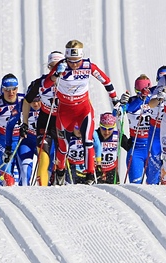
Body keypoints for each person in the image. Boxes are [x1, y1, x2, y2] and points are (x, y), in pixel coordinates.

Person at [42, 40, 118, 185]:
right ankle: (60, 171)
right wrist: (56, 75)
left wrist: (114, 98)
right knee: (63, 146)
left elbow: (106, 80)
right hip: (65, 111)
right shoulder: (60, 66)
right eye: (71, 61)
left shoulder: (88, 66)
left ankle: (90, 173)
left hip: (83, 110)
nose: (74, 65)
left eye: (77, 61)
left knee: (88, 141)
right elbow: (46, 84)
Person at [23, 51, 65, 186]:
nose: (55, 69)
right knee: (43, 156)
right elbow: (27, 101)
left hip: (63, 122)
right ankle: (43, 189)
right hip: (45, 120)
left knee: (62, 157)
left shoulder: (69, 82)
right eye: (52, 66)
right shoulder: (40, 83)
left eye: (58, 66)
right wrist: (24, 122)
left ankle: (61, 181)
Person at [96, 112, 130, 184]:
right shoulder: (94, 135)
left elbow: (129, 147)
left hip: (111, 171)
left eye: (110, 129)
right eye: (103, 128)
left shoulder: (117, 136)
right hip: (97, 170)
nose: (107, 132)